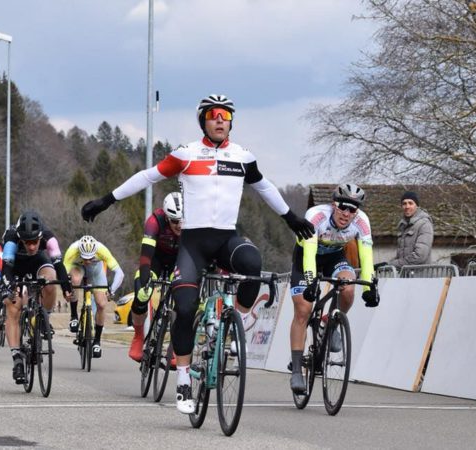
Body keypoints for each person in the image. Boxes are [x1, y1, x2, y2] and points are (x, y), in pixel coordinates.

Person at [81, 94, 314, 414]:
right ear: (203, 120)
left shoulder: (243, 156)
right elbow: (148, 176)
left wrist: (291, 217)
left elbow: (264, 186)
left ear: (231, 122)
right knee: (186, 307)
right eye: (213, 114)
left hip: (226, 239)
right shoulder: (186, 154)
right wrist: (106, 200)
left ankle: (234, 324)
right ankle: (183, 382)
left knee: (252, 263)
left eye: (226, 115)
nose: (220, 119)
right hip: (193, 245)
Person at [288, 183, 379, 394]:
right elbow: (309, 254)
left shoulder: (362, 222)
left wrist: (370, 288)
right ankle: (297, 370)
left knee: (348, 288)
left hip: (334, 257)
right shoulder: (316, 216)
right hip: (306, 258)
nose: (346, 213)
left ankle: (331, 323)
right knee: (303, 309)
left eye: (352, 209)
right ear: (333, 204)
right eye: (342, 207)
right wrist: (311, 281)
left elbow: (366, 258)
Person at [1, 211, 72, 384]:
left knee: (50, 281)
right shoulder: (11, 238)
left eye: (35, 242)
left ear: (40, 236)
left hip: (39, 263)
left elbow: (59, 264)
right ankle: (17, 358)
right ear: (20, 238)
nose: (32, 247)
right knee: (12, 305)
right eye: (27, 242)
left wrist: (66, 288)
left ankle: (43, 317)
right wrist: (10, 287)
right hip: (16, 267)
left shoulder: (48, 237)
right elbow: (6, 268)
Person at [128, 191, 182, 364]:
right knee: (142, 294)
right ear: (166, 217)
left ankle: (175, 346)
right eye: (175, 221)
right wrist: (146, 282)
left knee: (184, 298)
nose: (180, 225)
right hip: (155, 258)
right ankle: (138, 336)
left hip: (178, 259)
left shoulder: (192, 224)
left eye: (183, 220)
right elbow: (145, 257)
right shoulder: (154, 221)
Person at [63, 235, 124, 358]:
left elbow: (119, 272)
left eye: (90, 258)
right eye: (84, 258)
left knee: (101, 304)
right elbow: (63, 274)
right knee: (75, 280)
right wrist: (66, 290)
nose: (87, 261)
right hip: (77, 268)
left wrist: (112, 290)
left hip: (96, 271)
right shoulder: (72, 250)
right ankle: (74, 317)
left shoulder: (102, 250)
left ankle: (97, 341)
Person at [387, 191, 434, 268]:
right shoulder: (402, 225)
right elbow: (401, 257)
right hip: (405, 273)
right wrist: (387, 264)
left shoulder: (424, 224)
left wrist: (392, 264)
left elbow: (420, 256)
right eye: (404, 204)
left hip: (420, 274)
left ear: (417, 206)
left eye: (410, 203)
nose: (407, 206)